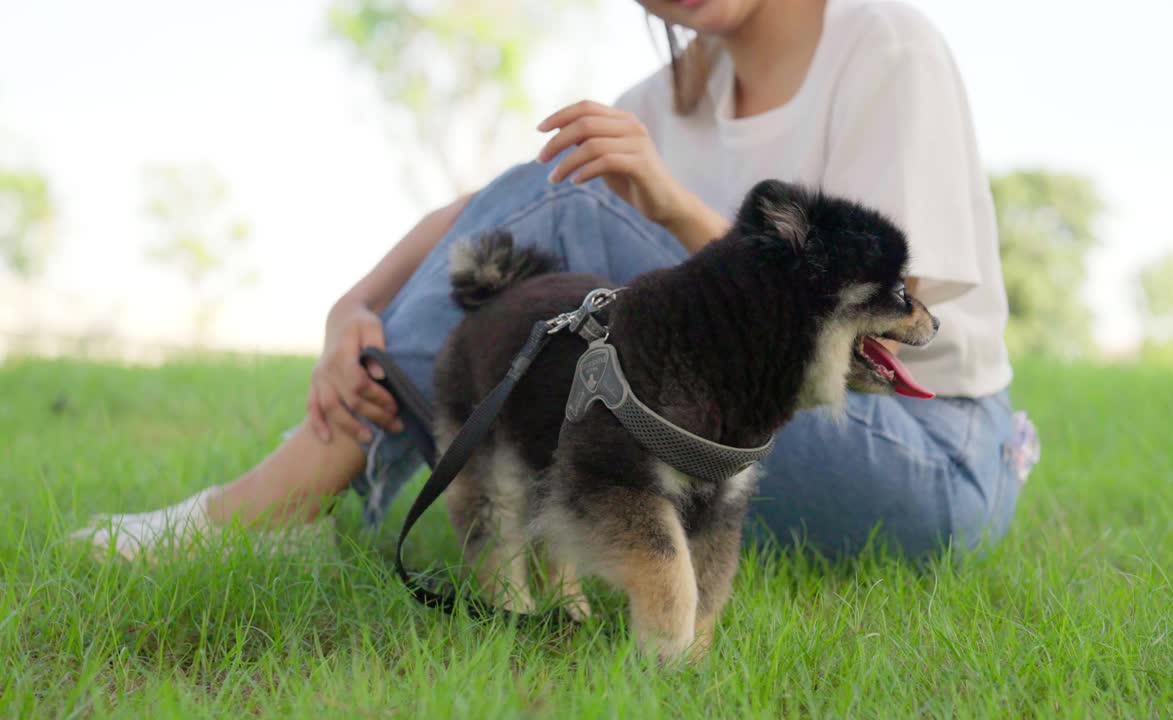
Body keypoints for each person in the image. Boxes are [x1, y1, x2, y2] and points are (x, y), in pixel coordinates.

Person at [72, 0, 1039, 562]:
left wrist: (667, 208)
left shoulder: (885, 50)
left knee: (579, 216)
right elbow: (492, 208)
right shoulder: (662, 99)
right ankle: (364, 485)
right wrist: (352, 305)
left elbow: (898, 335)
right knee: (555, 249)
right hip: (758, 425)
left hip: (923, 454)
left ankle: (293, 490)